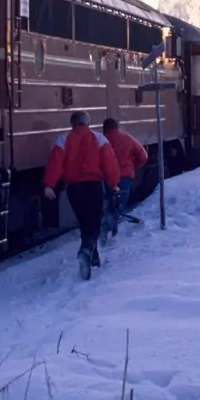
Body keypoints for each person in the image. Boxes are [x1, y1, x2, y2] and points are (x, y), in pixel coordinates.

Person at [42, 110, 121, 280]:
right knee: (94, 219)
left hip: (74, 188)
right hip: (94, 185)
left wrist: (49, 185)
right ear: (87, 122)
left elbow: (55, 163)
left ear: (72, 123)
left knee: (85, 221)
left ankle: (93, 257)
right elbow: (109, 163)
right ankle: (86, 250)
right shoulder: (99, 139)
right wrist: (113, 184)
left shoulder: (63, 140)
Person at [100, 118, 149, 240]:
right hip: (125, 177)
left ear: (105, 128)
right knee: (120, 206)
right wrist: (133, 167)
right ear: (117, 126)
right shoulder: (127, 138)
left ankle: (112, 233)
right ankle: (107, 227)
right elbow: (143, 156)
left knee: (112, 204)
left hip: (108, 177)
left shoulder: (102, 140)